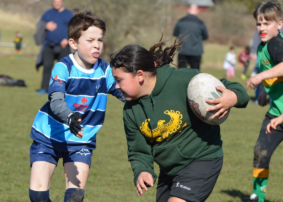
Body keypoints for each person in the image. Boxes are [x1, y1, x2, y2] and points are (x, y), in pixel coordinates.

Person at [110, 38, 249, 202]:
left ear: (140, 75)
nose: (116, 86)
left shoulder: (184, 80)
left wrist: (233, 97)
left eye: (119, 80)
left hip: (202, 158)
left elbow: (232, 88)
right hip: (169, 170)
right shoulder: (130, 111)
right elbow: (138, 150)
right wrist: (142, 170)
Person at [29, 9, 124, 202]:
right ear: (73, 43)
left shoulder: (105, 71)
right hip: (49, 135)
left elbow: (125, 94)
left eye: (100, 39)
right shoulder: (64, 67)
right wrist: (69, 116)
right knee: (38, 196)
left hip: (81, 139)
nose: (97, 45)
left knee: (75, 197)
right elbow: (56, 101)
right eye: (90, 41)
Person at [246, 1, 283, 202]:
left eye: (267, 23)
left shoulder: (277, 44)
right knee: (261, 152)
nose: (261, 28)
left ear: (279, 24)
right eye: (259, 24)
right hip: (276, 113)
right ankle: (257, 197)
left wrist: (259, 78)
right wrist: (263, 91)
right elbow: (271, 72)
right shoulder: (262, 46)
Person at [35, 0, 73, 94]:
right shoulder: (48, 13)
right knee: (47, 66)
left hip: (63, 46)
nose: (57, 3)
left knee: (64, 69)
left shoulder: (69, 14)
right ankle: (44, 88)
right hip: (49, 45)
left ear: (62, 2)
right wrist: (45, 25)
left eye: (58, 1)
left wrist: (68, 39)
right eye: (55, 1)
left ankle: (64, 89)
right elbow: (39, 25)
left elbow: (75, 29)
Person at [173, 4, 208, 70]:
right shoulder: (201, 23)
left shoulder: (180, 21)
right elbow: (205, 37)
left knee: (180, 73)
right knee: (195, 75)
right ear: (197, 11)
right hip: (196, 52)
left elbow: (175, 33)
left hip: (182, 51)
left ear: (188, 10)